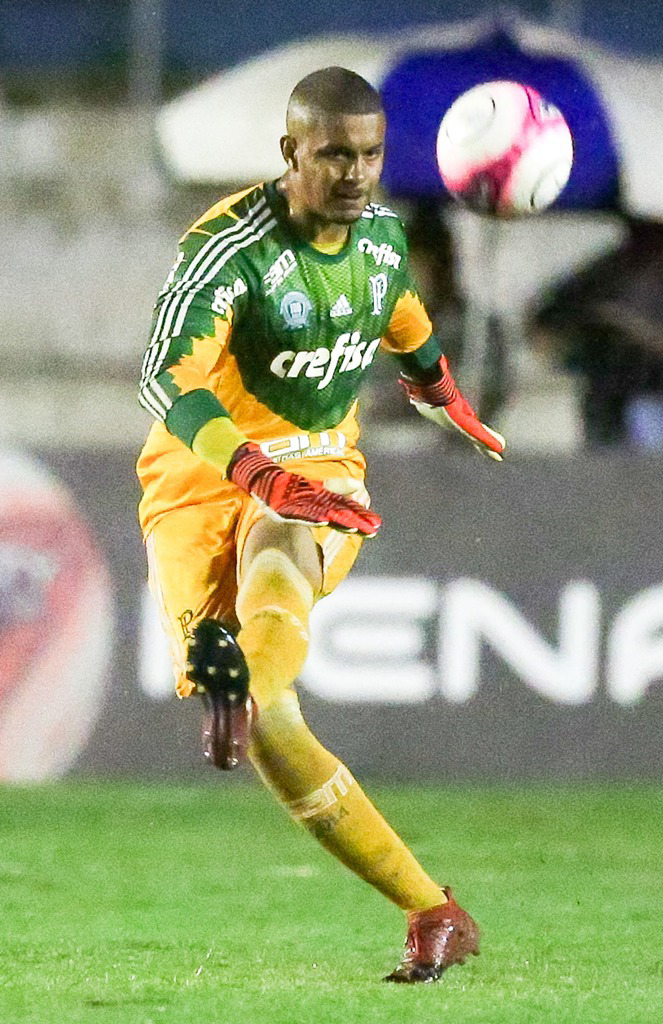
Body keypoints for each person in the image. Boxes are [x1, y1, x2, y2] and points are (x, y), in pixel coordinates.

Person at [136, 67, 505, 983]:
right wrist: (254, 469)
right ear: (290, 152)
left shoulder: (380, 238)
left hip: (315, 469)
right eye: (334, 154)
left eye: (370, 155)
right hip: (199, 479)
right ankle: (435, 911)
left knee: (280, 543)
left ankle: (243, 681)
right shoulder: (230, 249)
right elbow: (164, 379)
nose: (355, 173)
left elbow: (403, 319)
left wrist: (442, 394)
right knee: (275, 734)